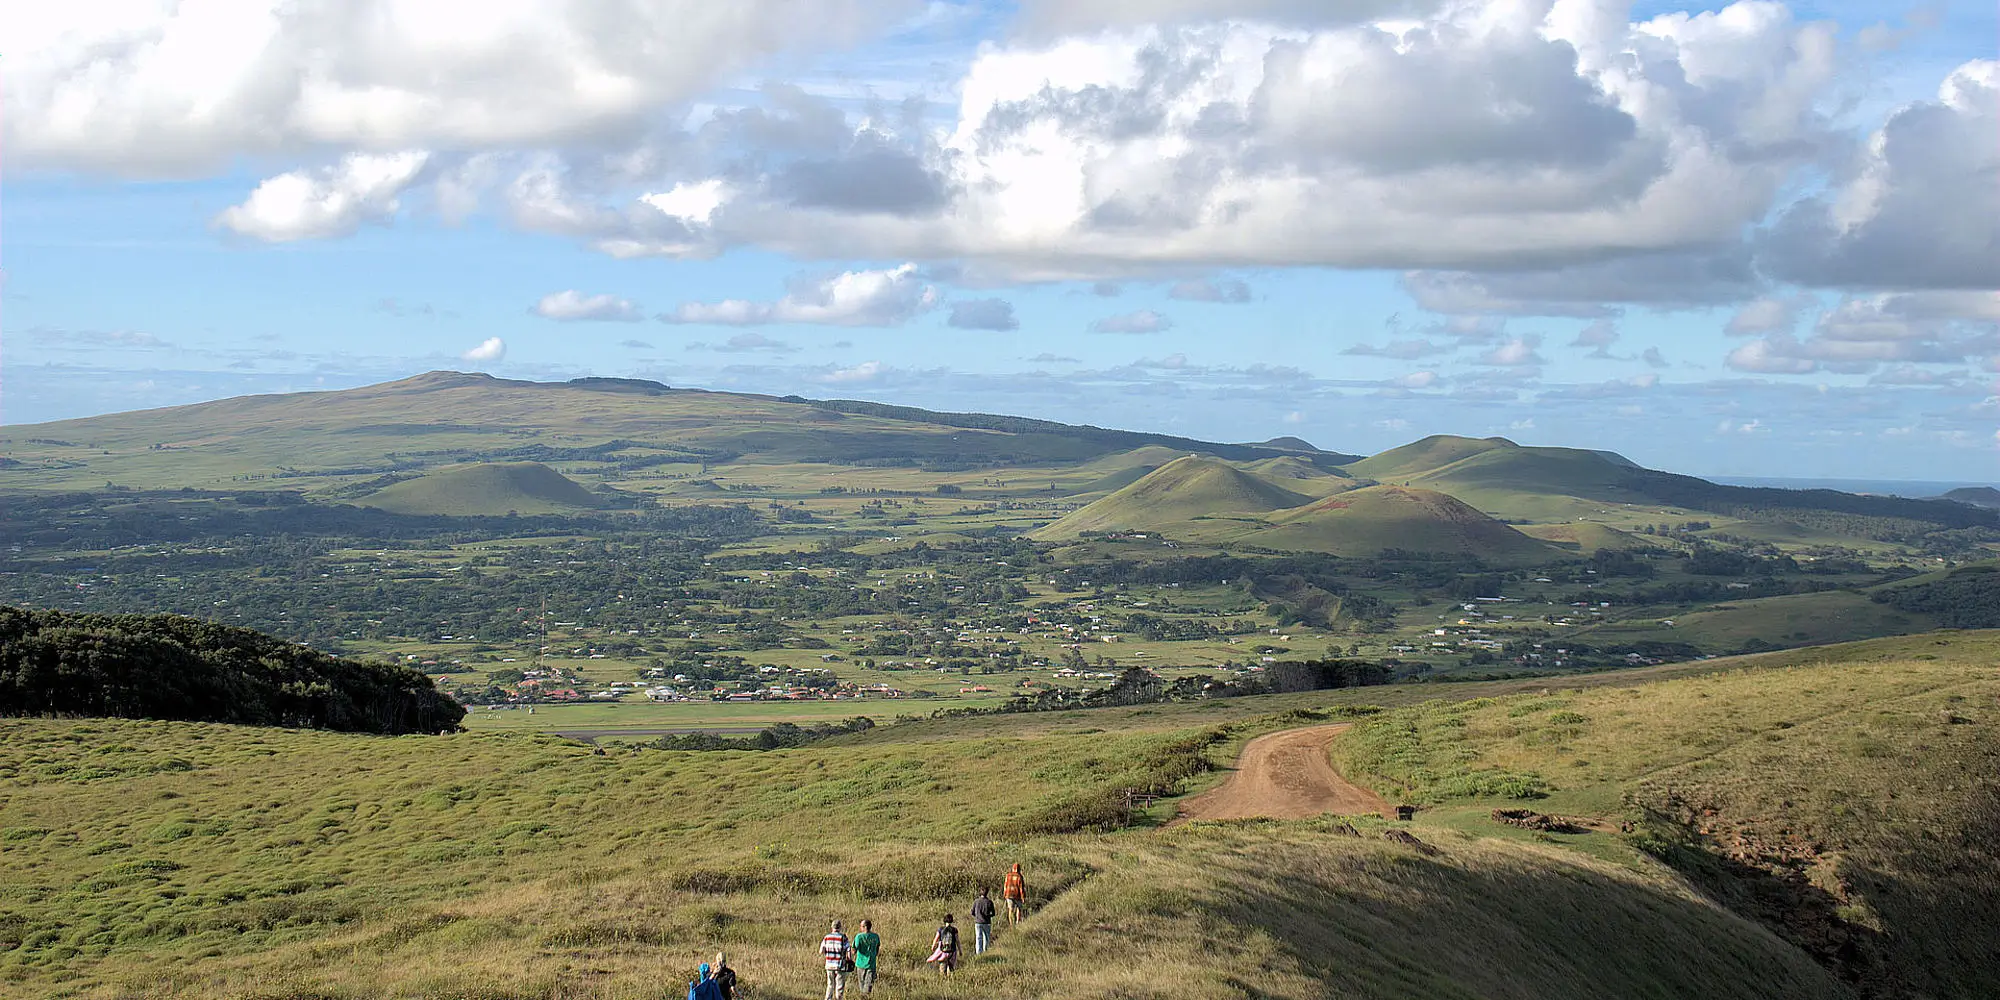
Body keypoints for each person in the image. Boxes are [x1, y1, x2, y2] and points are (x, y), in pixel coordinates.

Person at [821, 919, 852, 1000]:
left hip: (829, 964)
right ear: (840, 927)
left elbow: (821, 951)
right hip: (840, 965)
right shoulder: (843, 937)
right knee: (839, 986)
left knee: (830, 984)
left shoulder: (827, 937)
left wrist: (828, 953)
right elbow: (848, 949)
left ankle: (828, 998)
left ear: (832, 927)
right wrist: (849, 959)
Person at [852, 918, 881, 994]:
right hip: (871, 964)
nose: (860, 927)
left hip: (860, 964)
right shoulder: (875, 936)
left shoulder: (859, 937)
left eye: (861, 926)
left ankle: (863, 997)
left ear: (865, 927)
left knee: (862, 985)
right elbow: (877, 948)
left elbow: (854, 950)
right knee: (868, 986)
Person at [970, 888, 996, 955]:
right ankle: (985, 951)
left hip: (978, 922)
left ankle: (978, 952)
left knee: (978, 937)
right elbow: (993, 913)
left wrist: (977, 916)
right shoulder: (989, 902)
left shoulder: (976, 901)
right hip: (987, 922)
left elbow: (972, 912)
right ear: (987, 893)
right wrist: (988, 916)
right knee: (986, 938)